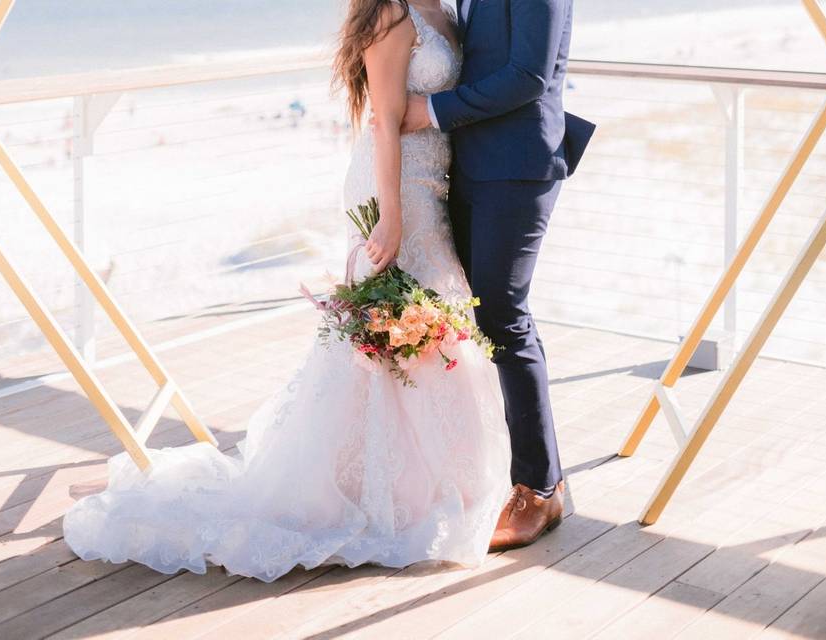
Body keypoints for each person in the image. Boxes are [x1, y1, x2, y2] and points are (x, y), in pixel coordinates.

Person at [63, 0, 516, 582]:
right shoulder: (391, 12)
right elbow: (382, 120)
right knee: (390, 334)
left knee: (428, 327)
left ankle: (422, 487)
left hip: (432, 182)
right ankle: (367, 491)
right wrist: (393, 214)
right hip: (392, 188)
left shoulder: (444, 8)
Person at [399, 0, 594, 550]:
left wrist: (432, 111)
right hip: (466, 163)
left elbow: (528, 75)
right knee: (474, 318)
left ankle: (540, 487)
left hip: (514, 164)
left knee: (505, 319)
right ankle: (487, 467)